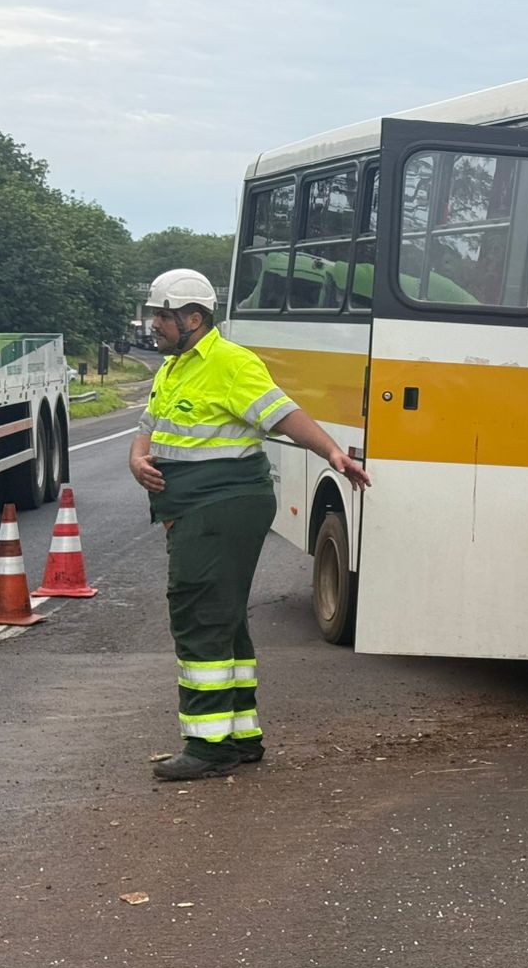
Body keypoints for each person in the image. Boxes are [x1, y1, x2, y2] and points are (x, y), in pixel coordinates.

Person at [128, 269, 371, 781]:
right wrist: (137, 459)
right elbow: (148, 428)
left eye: (163, 316)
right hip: (194, 508)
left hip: (222, 506)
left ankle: (208, 747)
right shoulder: (172, 369)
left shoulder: (231, 364)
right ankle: (239, 736)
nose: (155, 324)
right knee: (226, 617)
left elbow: (283, 413)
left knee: (200, 617)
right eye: (155, 314)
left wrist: (331, 452)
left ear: (194, 319)